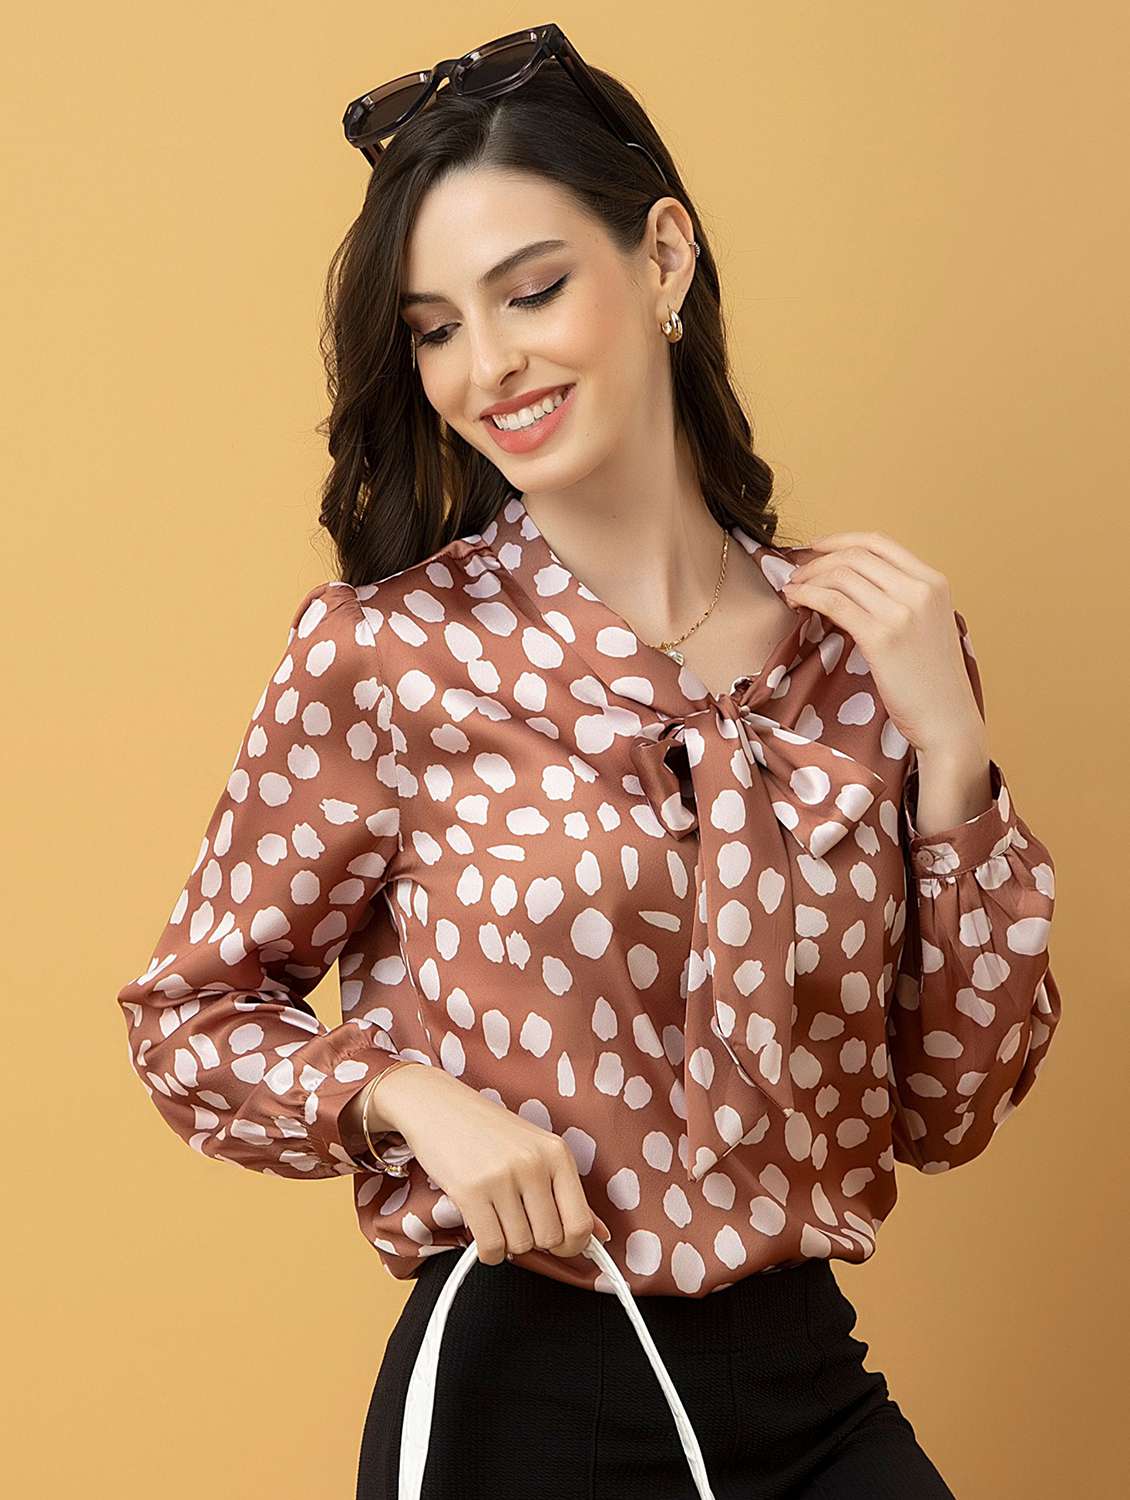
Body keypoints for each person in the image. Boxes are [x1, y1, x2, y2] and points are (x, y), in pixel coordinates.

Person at [115, 26, 1061, 1499]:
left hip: (809, 1386)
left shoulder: (864, 653)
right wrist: (405, 1097)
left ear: (663, 257)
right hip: (522, 1398)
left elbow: (953, 1108)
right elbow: (187, 1019)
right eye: (435, 328)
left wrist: (952, 758)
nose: (487, 366)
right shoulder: (390, 656)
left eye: (533, 290)